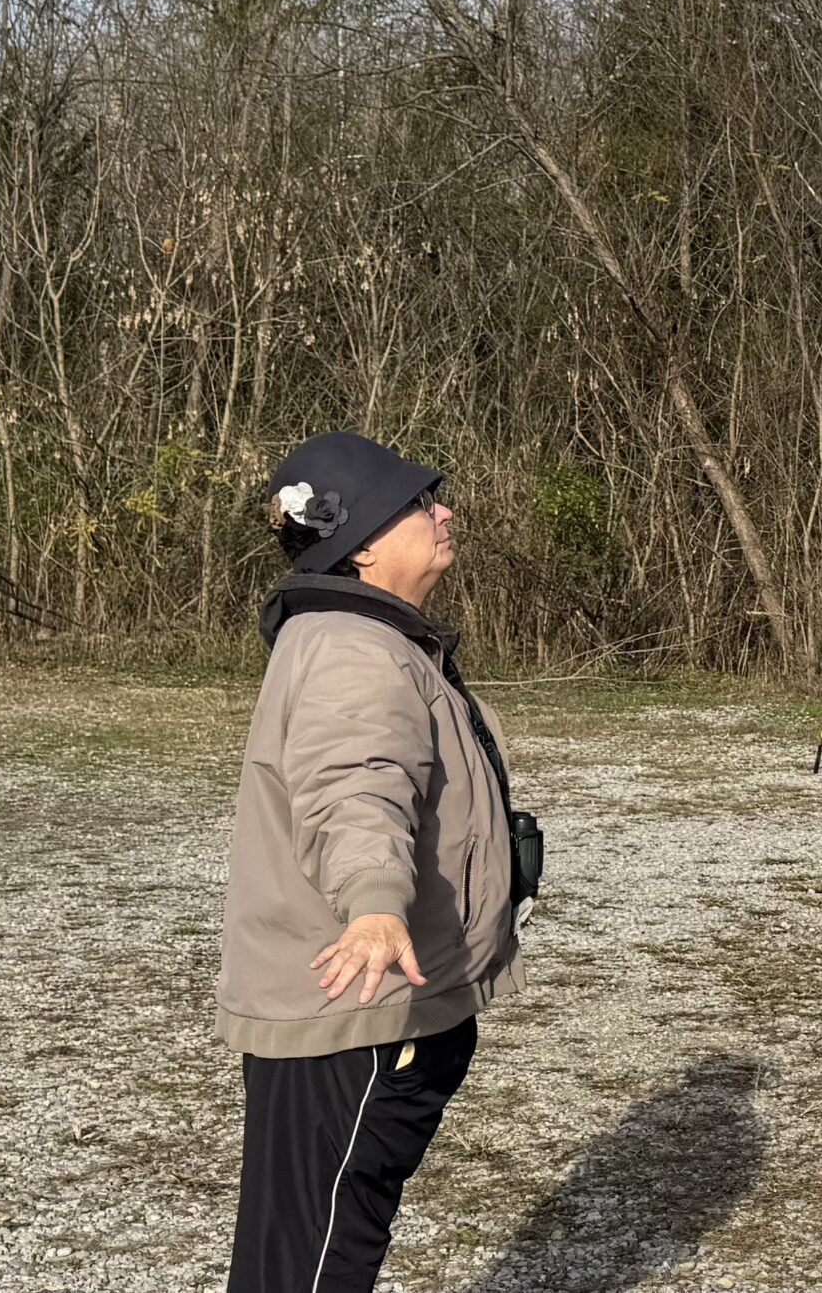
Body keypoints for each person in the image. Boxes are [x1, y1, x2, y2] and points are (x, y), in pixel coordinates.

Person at [220, 432, 529, 1293]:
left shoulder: (366, 638)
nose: (444, 511)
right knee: (314, 1258)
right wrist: (374, 900)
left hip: (374, 1002)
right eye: (419, 502)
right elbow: (356, 786)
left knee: (315, 1240)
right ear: (358, 541)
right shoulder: (350, 648)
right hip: (357, 1007)